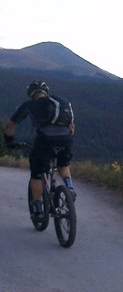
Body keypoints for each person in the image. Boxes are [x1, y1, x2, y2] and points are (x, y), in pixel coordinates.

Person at [3, 80, 76, 220]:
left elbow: (9, 126)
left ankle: (38, 208)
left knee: (36, 174)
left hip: (45, 141)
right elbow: (71, 127)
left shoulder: (29, 105)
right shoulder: (60, 103)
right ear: (45, 92)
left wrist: (9, 142)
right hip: (66, 139)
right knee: (63, 165)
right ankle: (70, 188)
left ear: (31, 94)